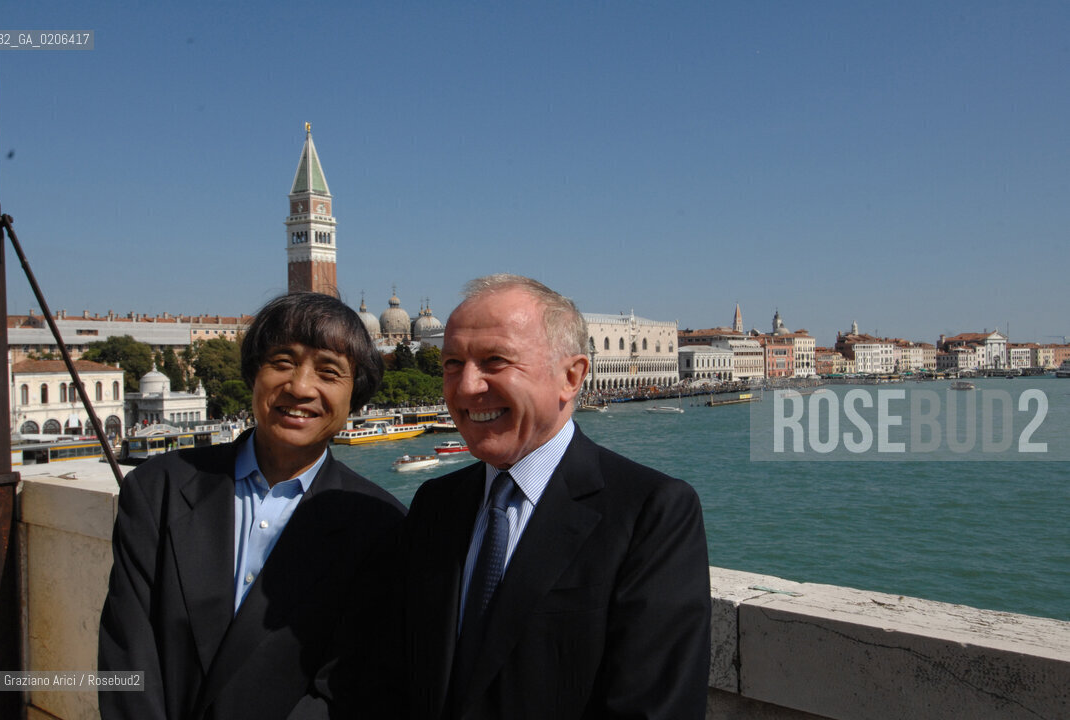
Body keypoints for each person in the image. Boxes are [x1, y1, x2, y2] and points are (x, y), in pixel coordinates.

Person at [402, 274, 711, 719]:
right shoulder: (435, 504)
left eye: (494, 361)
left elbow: (654, 707)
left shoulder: (652, 512)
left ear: (571, 376)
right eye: (452, 364)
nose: (466, 387)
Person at [98, 292, 406, 720]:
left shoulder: (380, 525)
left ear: (355, 397)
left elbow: (350, 684)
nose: (300, 387)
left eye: (328, 372)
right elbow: (127, 654)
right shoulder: (156, 489)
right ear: (253, 374)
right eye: (282, 362)